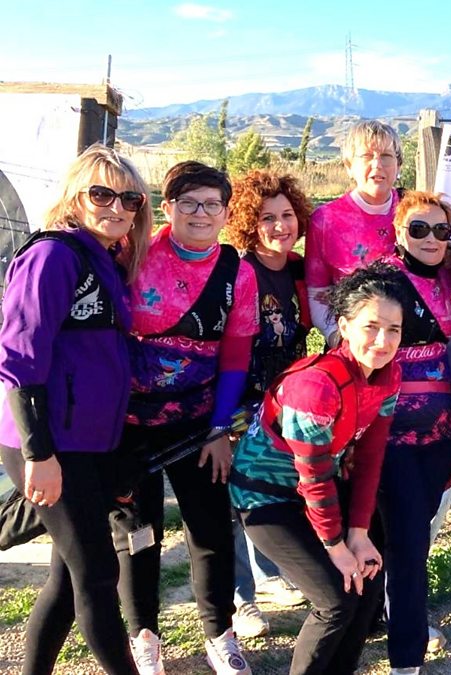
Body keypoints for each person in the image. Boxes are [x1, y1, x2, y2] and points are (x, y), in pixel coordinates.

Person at [0, 144, 151, 675]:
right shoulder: (53, 256)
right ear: (74, 197)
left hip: (89, 443)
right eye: (101, 194)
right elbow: (19, 358)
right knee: (97, 574)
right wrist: (39, 454)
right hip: (49, 443)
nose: (117, 207)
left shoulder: (102, 258)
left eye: (129, 199)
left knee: (69, 578)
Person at [114, 161, 257, 675]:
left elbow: (236, 356)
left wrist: (219, 429)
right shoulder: (132, 254)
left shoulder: (237, 274)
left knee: (210, 528)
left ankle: (219, 633)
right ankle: (144, 637)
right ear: (167, 206)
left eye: (212, 204)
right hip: (127, 424)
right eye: (189, 202)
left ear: (226, 213)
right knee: (138, 532)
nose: (201, 213)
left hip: (198, 423)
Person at [229, 261, 404, 675]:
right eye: (371, 327)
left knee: (368, 578)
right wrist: (336, 547)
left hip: (315, 488)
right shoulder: (316, 386)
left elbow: (370, 459)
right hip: (264, 496)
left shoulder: (389, 375)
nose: (382, 341)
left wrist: (358, 535)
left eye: (394, 330)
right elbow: (314, 476)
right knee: (335, 598)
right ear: (343, 326)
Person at [224, 170, 315, 637]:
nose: (281, 226)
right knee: (235, 498)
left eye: (287, 214)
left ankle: (270, 575)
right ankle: (240, 601)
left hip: (284, 401)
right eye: (267, 218)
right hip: (239, 399)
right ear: (247, 222)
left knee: (273, 487)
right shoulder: (239, 271)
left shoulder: (300, 270)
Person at [377, 191, 451, 674]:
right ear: (398, 231)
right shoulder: (381, 281)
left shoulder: (445, 276)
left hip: (440, 432)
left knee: (411, 534)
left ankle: (388, 615)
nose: (431, 239)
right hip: (391, 433)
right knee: (408, 542)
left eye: (441, 230)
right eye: (419, 229)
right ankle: (405, 656)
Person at [306, 120, 403, 346]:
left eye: (386, 156)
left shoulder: (417, 211)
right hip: (353, 346)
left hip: (414, 350)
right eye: (367, 156)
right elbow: (317, 293)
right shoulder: (325, 220)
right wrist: (338, 339)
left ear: (398, 165)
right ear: (349, 165)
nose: (377, 164)